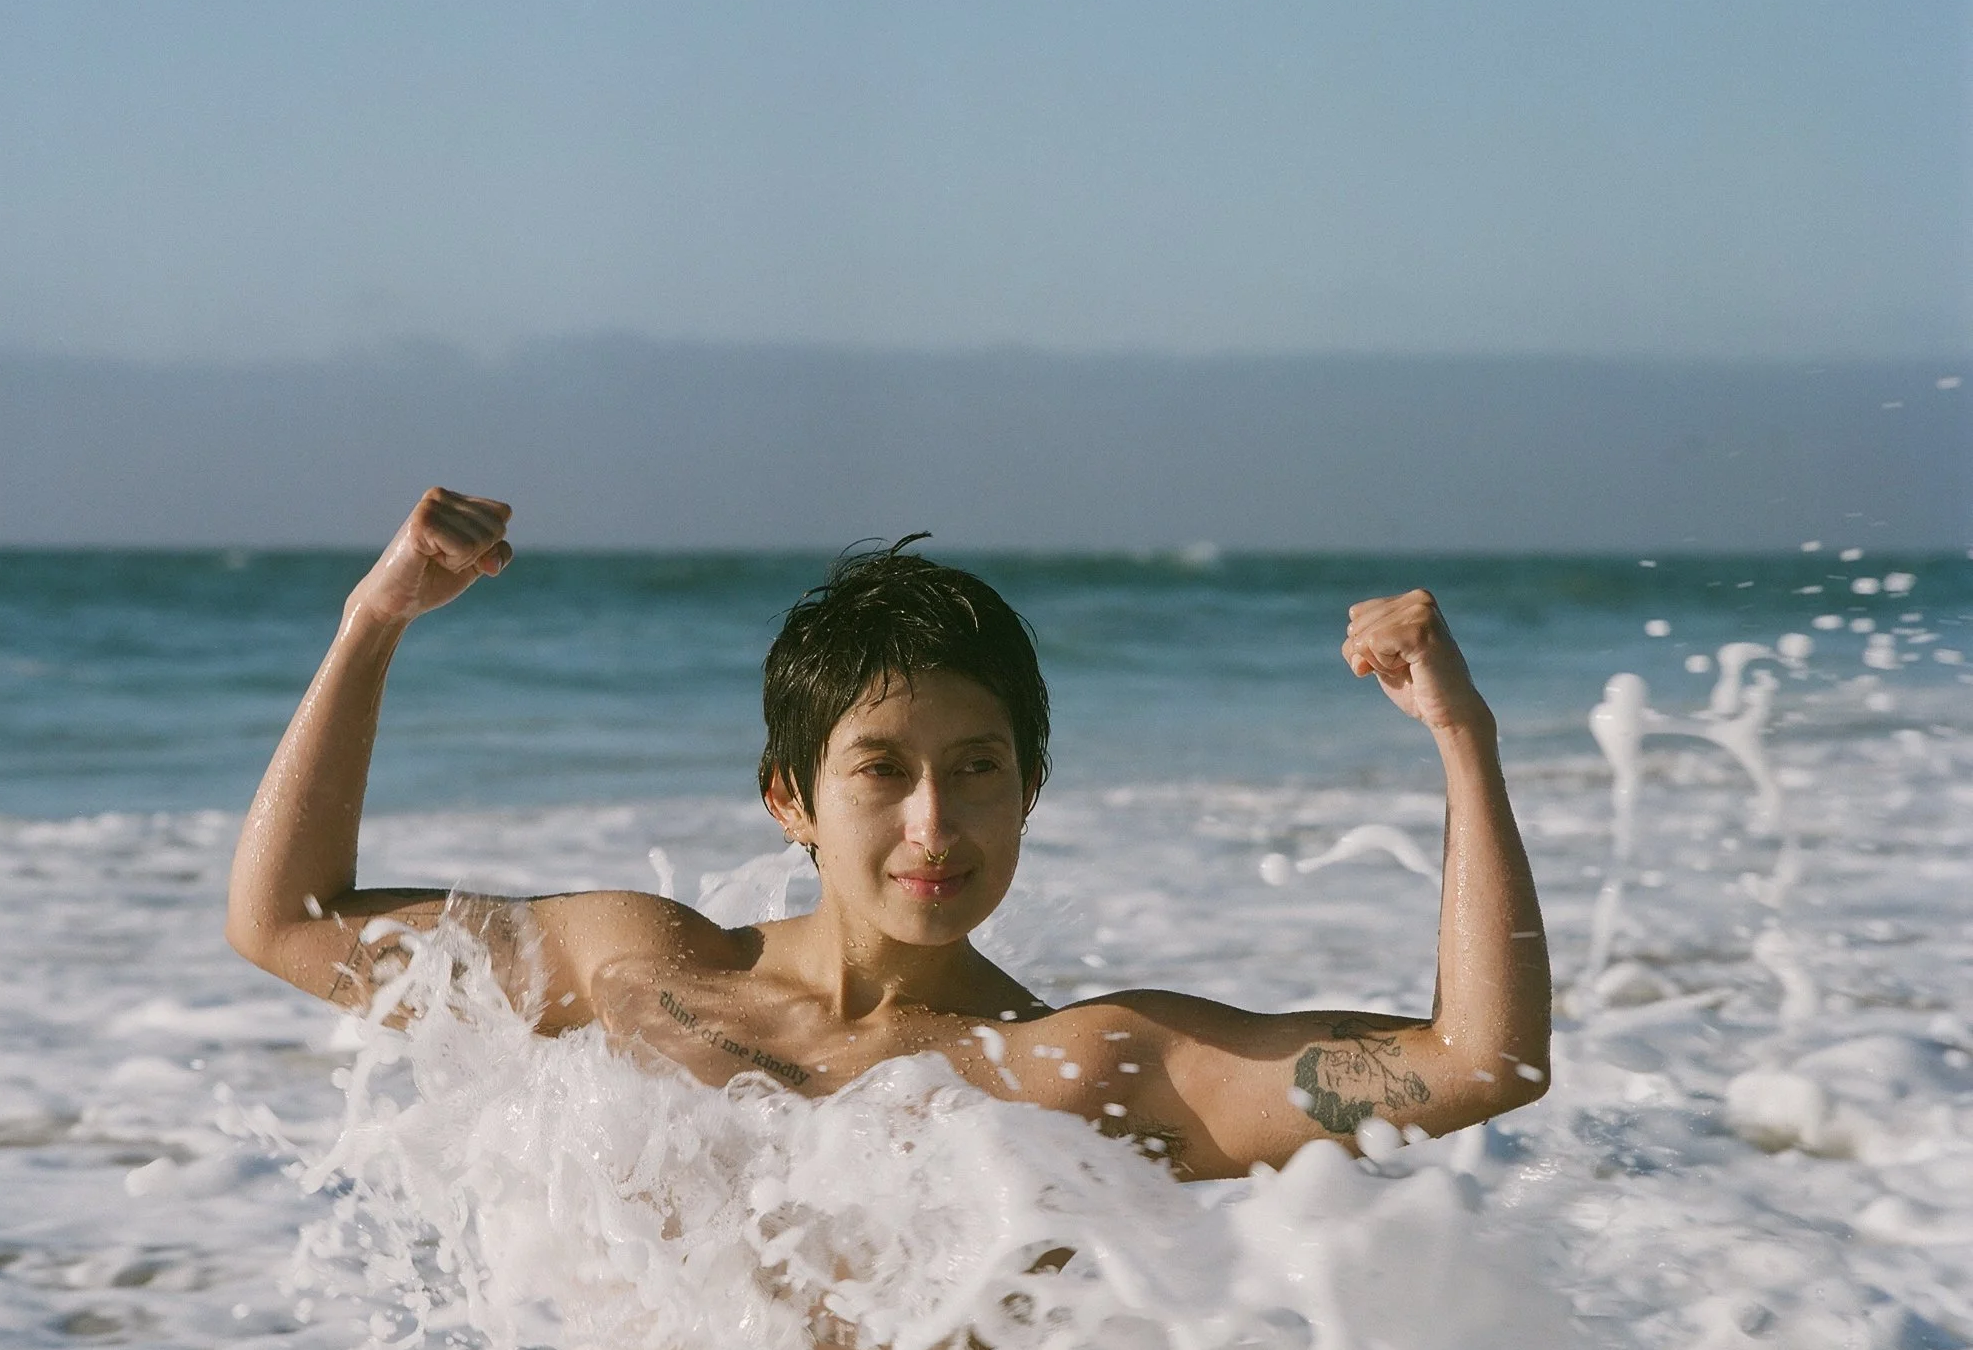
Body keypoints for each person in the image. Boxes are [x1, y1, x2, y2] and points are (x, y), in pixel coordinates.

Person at [227, 488, 1550, 1182]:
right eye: (881, 771)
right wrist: (372, 622)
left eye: (978, 770)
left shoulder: (1082, 1072)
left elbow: (1481, 1065)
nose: (936, 821)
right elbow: (285, 924)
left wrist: (1460, 740)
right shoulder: (631, 972)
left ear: (1028, 787)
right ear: (788, 798)